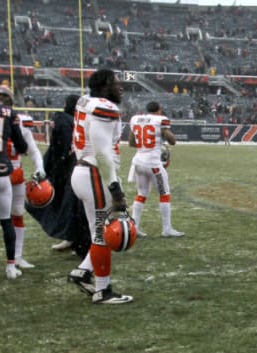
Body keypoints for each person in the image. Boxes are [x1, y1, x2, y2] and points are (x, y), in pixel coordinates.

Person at [66, 68, 133, 304]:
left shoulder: (86, 101)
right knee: (101, 234)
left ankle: (83, 271)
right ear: (105, 86)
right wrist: (116, 190)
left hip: (83, 171)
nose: (121, 87)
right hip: (95, 174)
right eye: (117, 83)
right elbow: (103, 154)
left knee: (98, 231)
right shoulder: (105, 107)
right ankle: (102, 291)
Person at [0, 84, 44, 274]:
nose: (2, 100)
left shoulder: (18, 120)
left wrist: (40, 167)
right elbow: (24, 147)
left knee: (16, 214)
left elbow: (32, 149)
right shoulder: (9, 116)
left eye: (5, 96)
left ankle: (16, 258)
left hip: (14, 174)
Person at [26, 94, 91, 257]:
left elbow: (61, 147)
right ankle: (73, 239)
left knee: (71, 206)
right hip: (71, 168)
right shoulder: (72, 120)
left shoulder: (66, 120)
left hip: (71, 169)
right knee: (69, 206)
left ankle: (77, 241)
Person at [128, 101, 184, 238]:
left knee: (141, 194)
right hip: (153, 164)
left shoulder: (135, 119)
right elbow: (172, 141)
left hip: (138, 162)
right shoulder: (161, 119)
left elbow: (131, 142)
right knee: (164, 193)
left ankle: (134, 227)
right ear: (159, 110)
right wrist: (165, 135)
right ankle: (166, 229)